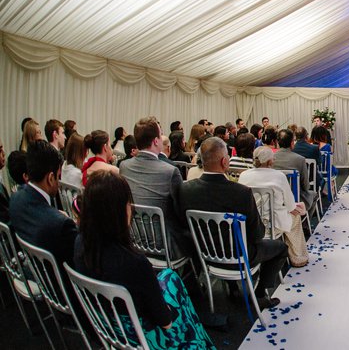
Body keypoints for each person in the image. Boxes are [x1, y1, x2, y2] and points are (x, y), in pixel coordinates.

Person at [75, 171, 213, 349]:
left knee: (168, 277)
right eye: (128, 203)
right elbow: (165, 322)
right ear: (119, 211)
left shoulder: (80, 244)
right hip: (143, 337)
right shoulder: (135, 264)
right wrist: (172, 307)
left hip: (108, 329)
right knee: (173, 281)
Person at [179, 137, 288, 309]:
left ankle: (232, 288)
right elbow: (257, 234)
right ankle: (259, 293)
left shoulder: (185, 189)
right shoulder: (240, 192)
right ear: (224, 161)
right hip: (239, 255)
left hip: (204, 254)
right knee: (281, 248)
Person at [120, 117, 189, 261]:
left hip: (134, 239)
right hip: (164, 244)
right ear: (156, 141)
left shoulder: (124, 166)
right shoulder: (170, 171)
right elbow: (181, 212)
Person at [10, 141, 78, 272]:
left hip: (29, 272)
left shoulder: (15, 198)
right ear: (50, 178)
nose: (58, 182)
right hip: (56, 286)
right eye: (58, 177)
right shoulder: (61, 225)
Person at [239, 146, 309, 267]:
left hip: (250, 224)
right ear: (271, 161)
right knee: (295, 218)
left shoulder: (244, 175)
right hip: (272, 225)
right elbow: (291, 206)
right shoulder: (279, 176)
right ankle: (298, 257)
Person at [273, 129, 313, 210]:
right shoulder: (300, 159)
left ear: (277, 142)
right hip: (295, 198)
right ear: (292, 143)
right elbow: (306, 186)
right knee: (313, 195)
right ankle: (303, 220)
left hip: (275, 198)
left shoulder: (270, 158)